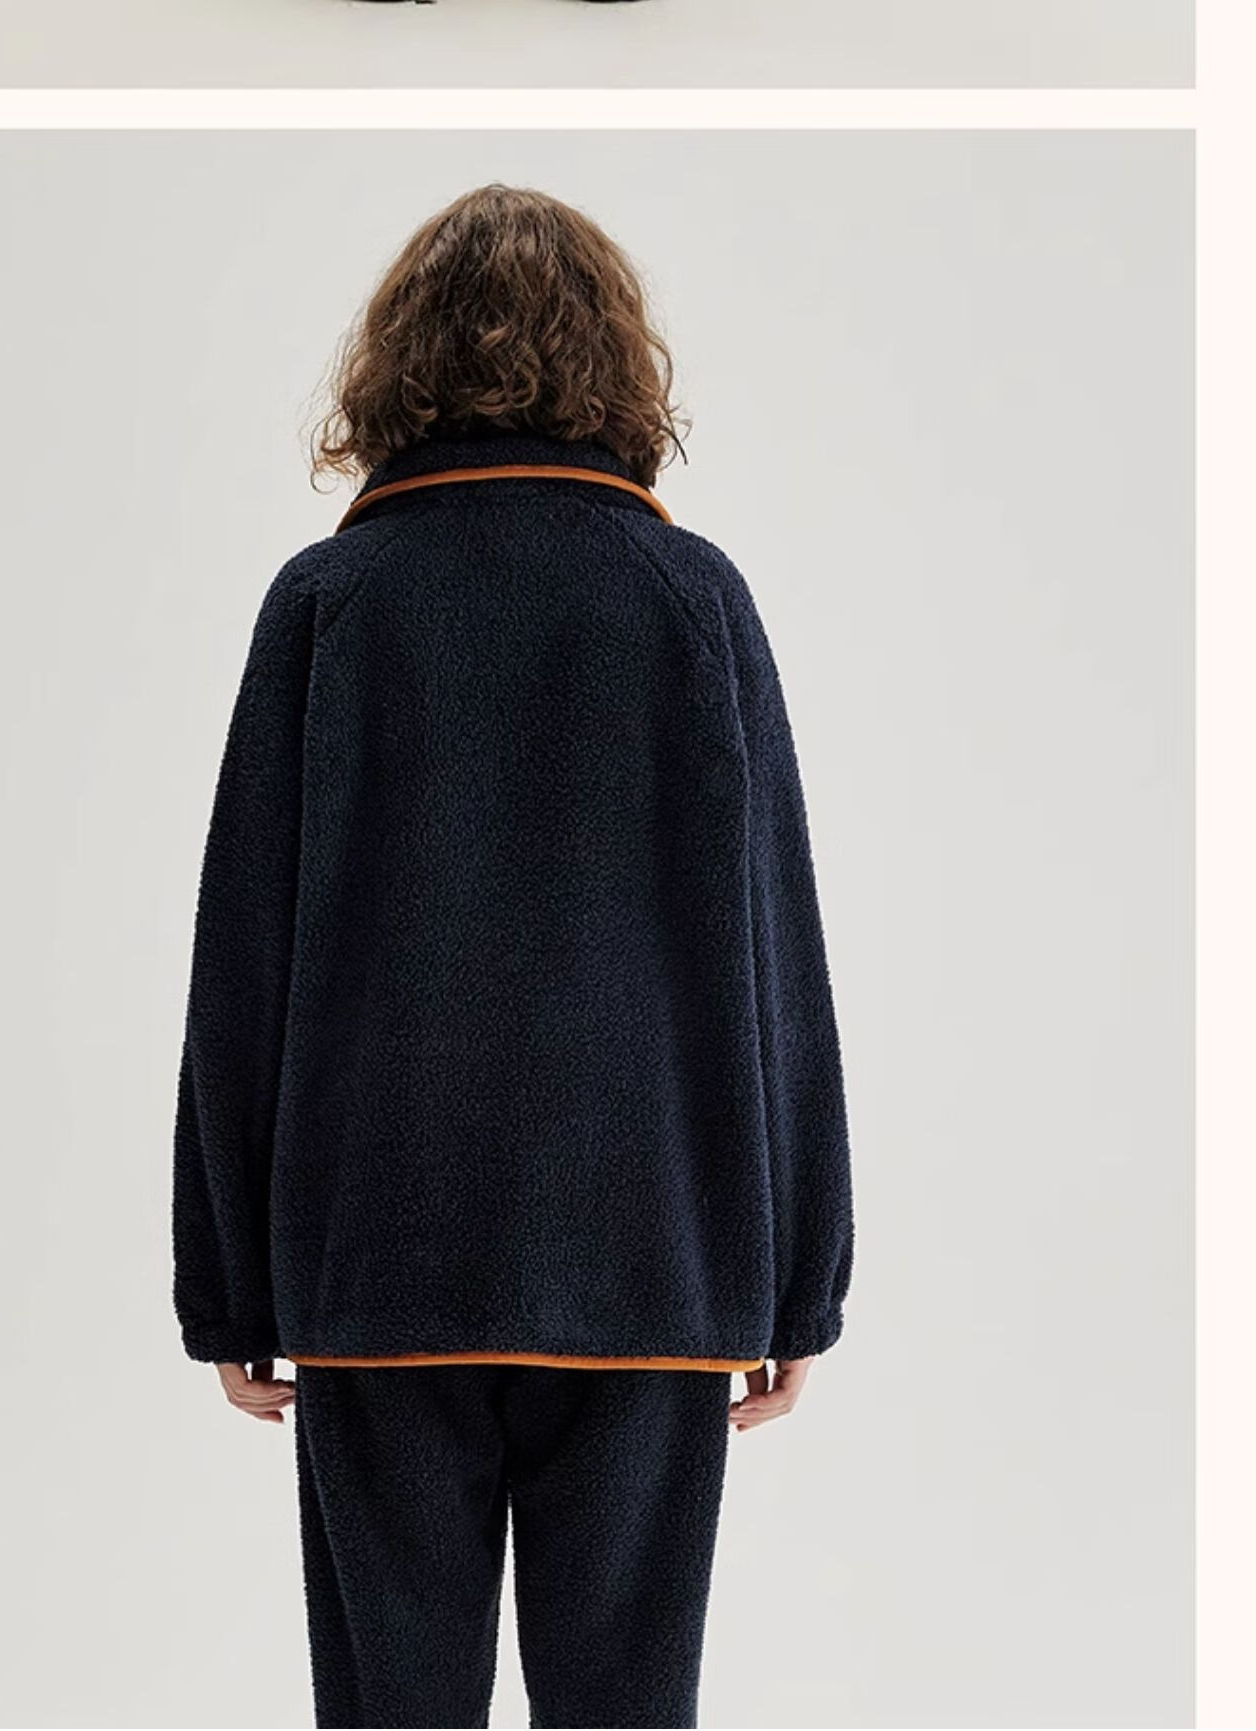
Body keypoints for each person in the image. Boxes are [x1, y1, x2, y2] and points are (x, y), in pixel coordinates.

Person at [172, 183, 853, 1730]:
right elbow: (779, 962)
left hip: (377, 1267)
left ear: (395, 366)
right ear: (618, 363)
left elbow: (241, 971)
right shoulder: (690, 601)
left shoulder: (330, 604)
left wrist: (230, 1285)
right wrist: (796, 1280)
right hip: (651, 1260)